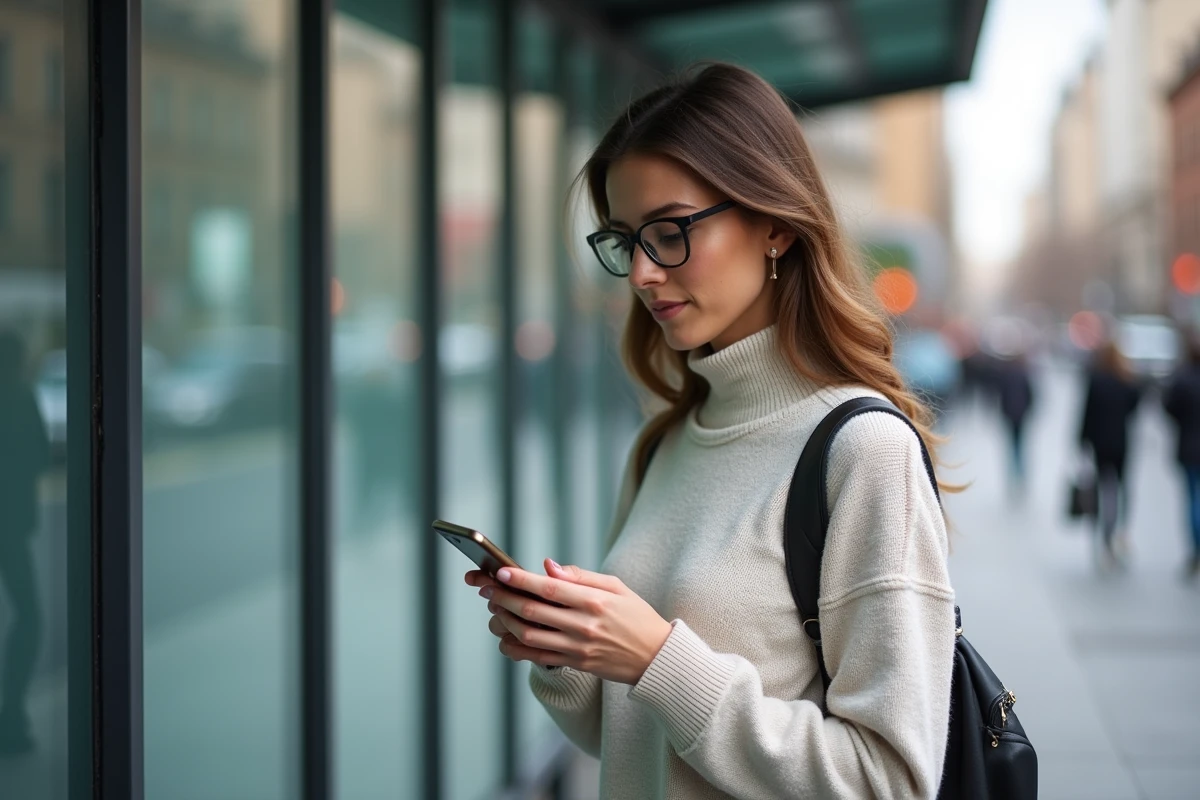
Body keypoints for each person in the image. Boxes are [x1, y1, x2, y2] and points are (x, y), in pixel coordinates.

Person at [465, 64, 955, 799]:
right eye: (625, 241)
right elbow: (634, 739)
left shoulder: (863, 452)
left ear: (776, 228)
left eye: (668, 232)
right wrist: (566, 656)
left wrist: (659, 657)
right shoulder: (665, 441)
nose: (640, 274)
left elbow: (889, 779)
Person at [0, 330, 49, 756]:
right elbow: (41, 455)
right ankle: (11, 710)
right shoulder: (20, 397)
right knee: (29, 618)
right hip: (11, 528)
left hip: (11, 526)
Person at [1079, 339, 1142, 568]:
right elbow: (1135, 406)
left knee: (1104, 489)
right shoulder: (1127, 380)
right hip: (1121, 442)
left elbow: (1086, 412)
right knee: (1123, 487)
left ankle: (1106, 537)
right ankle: (1121, 532)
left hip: (1100, 443)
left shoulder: (1096, 381)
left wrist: (1081, 440)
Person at [1163, 332, 1200, 578]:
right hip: (1188, 448)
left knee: (1192, 500)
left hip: (1188, 448)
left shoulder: (1182, 378)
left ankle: (1196, 549)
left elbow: (1169, 407)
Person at [995, 353, 1035, 496]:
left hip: (1010, 416)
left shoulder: (1006, 376)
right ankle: (1020, 473)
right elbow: (1032, 397)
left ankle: (1015, 473)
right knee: (1020, 445)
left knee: (1013, 445)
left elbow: (1001, 397)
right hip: (1021, 416)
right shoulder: (1025, 376)